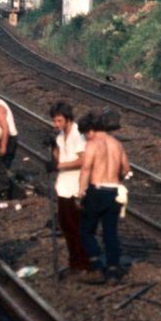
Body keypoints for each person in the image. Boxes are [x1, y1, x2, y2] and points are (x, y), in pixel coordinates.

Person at [76, 111, 131, 283]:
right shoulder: (117, 144)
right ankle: (113, 269)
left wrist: (80, 193)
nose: (86, 136)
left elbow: (85, 170)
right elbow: (126, 170)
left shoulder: (92, 144)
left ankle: (96, 264)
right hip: (113, 192)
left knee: (86, 230)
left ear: (91, 130)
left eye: (86, 133)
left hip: (96, 191)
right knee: (110, 233)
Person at [49, 101, 89, 276]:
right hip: (63, 187)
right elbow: (58, 159)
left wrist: (60, 166)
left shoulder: (77, 134)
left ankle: (84, 263)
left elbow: (83, 160)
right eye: (54, 121)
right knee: (66, 226)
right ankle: (74, 262)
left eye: (58, 121)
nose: (55, 124)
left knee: (77, 228)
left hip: (76, 187)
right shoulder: (60, 136)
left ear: (67, 119)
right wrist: (53, 148)